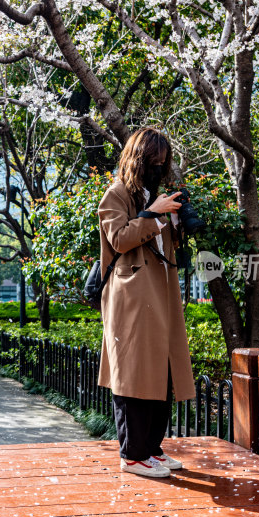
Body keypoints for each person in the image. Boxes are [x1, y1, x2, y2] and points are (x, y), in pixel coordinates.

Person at [97, 126, 196, 478]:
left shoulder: (154, 195)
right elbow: (120, 239)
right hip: (131, 295)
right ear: (138, 159)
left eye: (163, 161)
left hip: (161, 291)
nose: (159, 166)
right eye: (153, 160)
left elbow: (165, 245)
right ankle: (133, 454)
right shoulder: (117, 194)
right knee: (133, 373)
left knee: (162, 371)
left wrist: (176, 219)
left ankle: (151, 449)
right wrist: (152, 215)